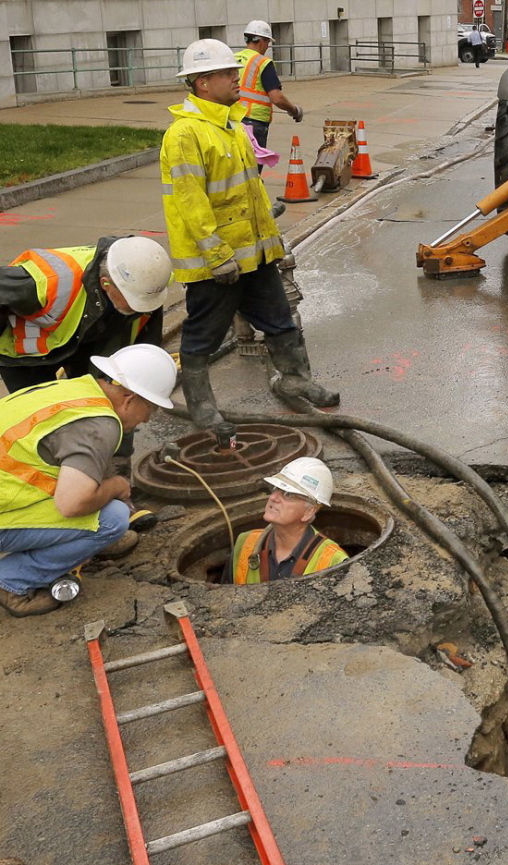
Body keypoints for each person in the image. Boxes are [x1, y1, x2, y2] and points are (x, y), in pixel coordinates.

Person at [161, 39, 340, 431]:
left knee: (279, 319)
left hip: (254, 256)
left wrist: (271, 241)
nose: (236, 78)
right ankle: (202, 406)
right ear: (203, 82)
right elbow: (190, 203)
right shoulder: (185, 135)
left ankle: (297, 379)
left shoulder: (232, 125)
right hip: (217, 264)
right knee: (202, 335)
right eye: (228, 73)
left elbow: (252, 189)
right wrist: (217, 254)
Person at [0, 344, 177, 617]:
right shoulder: (98, 425)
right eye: (150, 408)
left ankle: (84, 540)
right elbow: (72, 503)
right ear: (130, 398)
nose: (147, 419)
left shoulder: (76, 390)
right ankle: (11, 581)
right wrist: (117, 486)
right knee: (112, 519)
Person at [0, 236, 171, 394]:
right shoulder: (47, 281)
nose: (139, 309)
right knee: (41, 415)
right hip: (25, 360)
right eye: (132, 302)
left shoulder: (145, 283)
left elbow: (147, 343)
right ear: (106, 284)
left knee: (95, 404)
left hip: (83, 343)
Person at [224, 457, 348, 584]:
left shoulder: (333, 560)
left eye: (288, 494)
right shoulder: (245, 543)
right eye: (276, 488)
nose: (273, 497)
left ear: (308, 512)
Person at [235, 20, 303, 154]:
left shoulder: (233, 58)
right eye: (267, 42)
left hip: (233, 119)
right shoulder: (263, 62)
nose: (267, 46)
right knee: (254, 166)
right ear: (261, 40)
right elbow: (276, 98)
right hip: (254, 122)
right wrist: (294, 110)